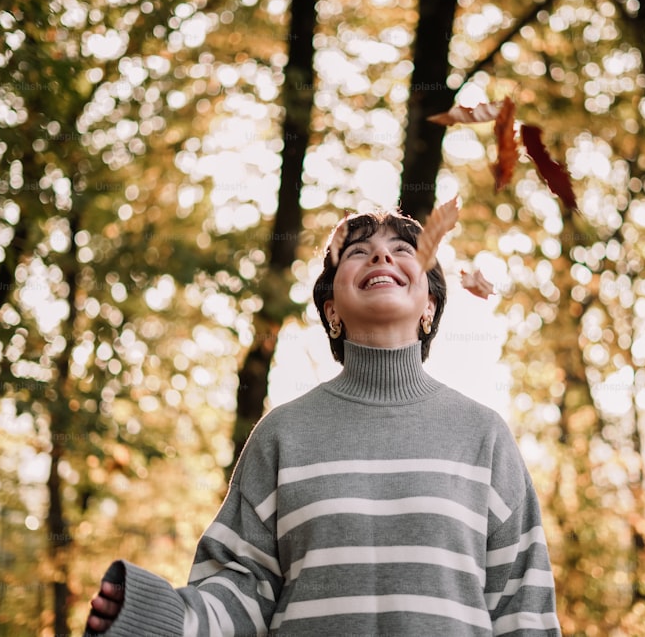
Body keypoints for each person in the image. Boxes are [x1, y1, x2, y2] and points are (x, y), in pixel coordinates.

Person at [85, 208, 561, 636]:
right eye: (358, 252)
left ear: (430, 305)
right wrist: (160, 616)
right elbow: (243, 589)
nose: (381, 257)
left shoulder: (484, 435)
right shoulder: (281, 434)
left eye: (403, 250)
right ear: (331, 309)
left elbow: (523, 609)